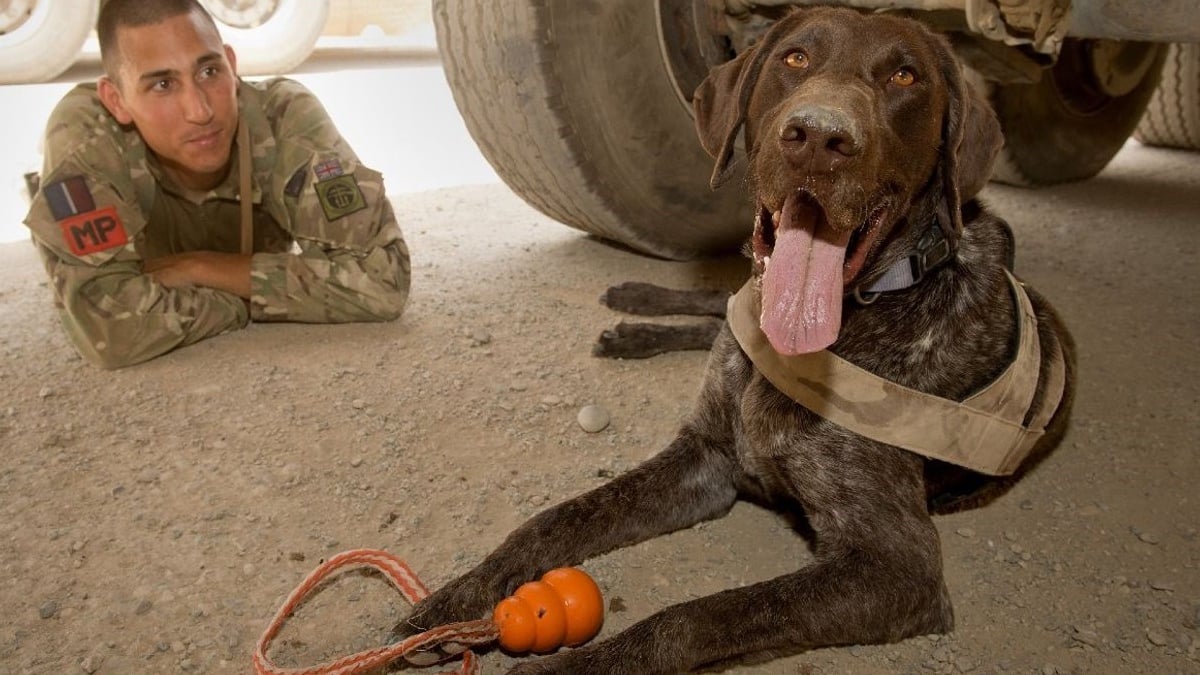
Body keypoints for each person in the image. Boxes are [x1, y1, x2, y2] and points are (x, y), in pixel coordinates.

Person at [23, 0, 411, 369]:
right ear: (116, 100)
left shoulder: (283, 118)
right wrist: (246, 299)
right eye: (162, 85)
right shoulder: (88, 137)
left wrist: (200, 268)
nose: (200, 111)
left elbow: (382, 281)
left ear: (231, 65)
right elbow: (110, 329)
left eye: (209, 72)